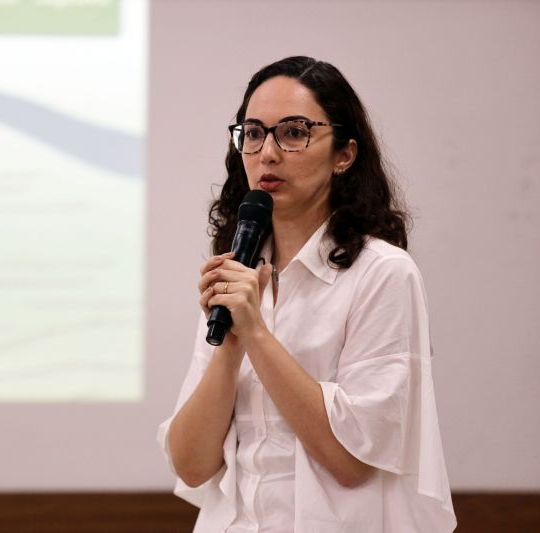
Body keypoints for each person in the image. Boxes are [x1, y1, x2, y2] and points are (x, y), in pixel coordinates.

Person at [157, 56, 457, 532]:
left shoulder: (382, 275)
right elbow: (192, 465)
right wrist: (232, 344)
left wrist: (255, 332)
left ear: (345, 153)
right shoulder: (239, 273)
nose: (267, 153)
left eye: (293, 132)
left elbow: (351, 461)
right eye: (253, 133)